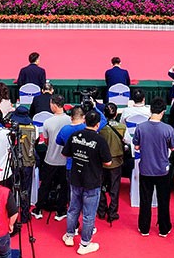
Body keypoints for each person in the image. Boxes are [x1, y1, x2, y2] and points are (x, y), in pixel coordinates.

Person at [63, 109, 111, 254]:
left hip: (76, 178)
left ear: (85, 120)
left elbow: (65, 153)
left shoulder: (75, 135)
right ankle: (84, 244)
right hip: (92, 181)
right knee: (89, 214)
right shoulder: (100, 140)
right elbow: (108, 162)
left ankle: (70, 235)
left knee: (73, 209)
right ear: (97, 124)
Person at [133, 97, 174, 237]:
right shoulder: (168, 129)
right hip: (162, 170)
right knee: (163, 200)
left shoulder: (140, 127)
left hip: (146, 168)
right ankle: (164, 228)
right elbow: (172, 147)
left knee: (145, 200)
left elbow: (136, 146)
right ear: (163, 112)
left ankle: (144, 228)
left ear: (151, 110)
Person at [35, 95, 71, 219]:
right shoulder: (70, 120)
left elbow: (46, 141)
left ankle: (38, 209)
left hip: (50, 159)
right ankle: (61, 211)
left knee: (45, 185)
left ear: (54, 105)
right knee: (64, 186)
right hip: (65, 160)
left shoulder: (48, 122)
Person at [99, 102, 127, 222]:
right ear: (116, 114)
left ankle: (101, 210)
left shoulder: (99, 127)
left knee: (100, 187)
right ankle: (112, 212)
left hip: (101, 162)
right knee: (114, 188)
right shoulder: (122, 127)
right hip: (116, 162)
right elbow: (128, 142)